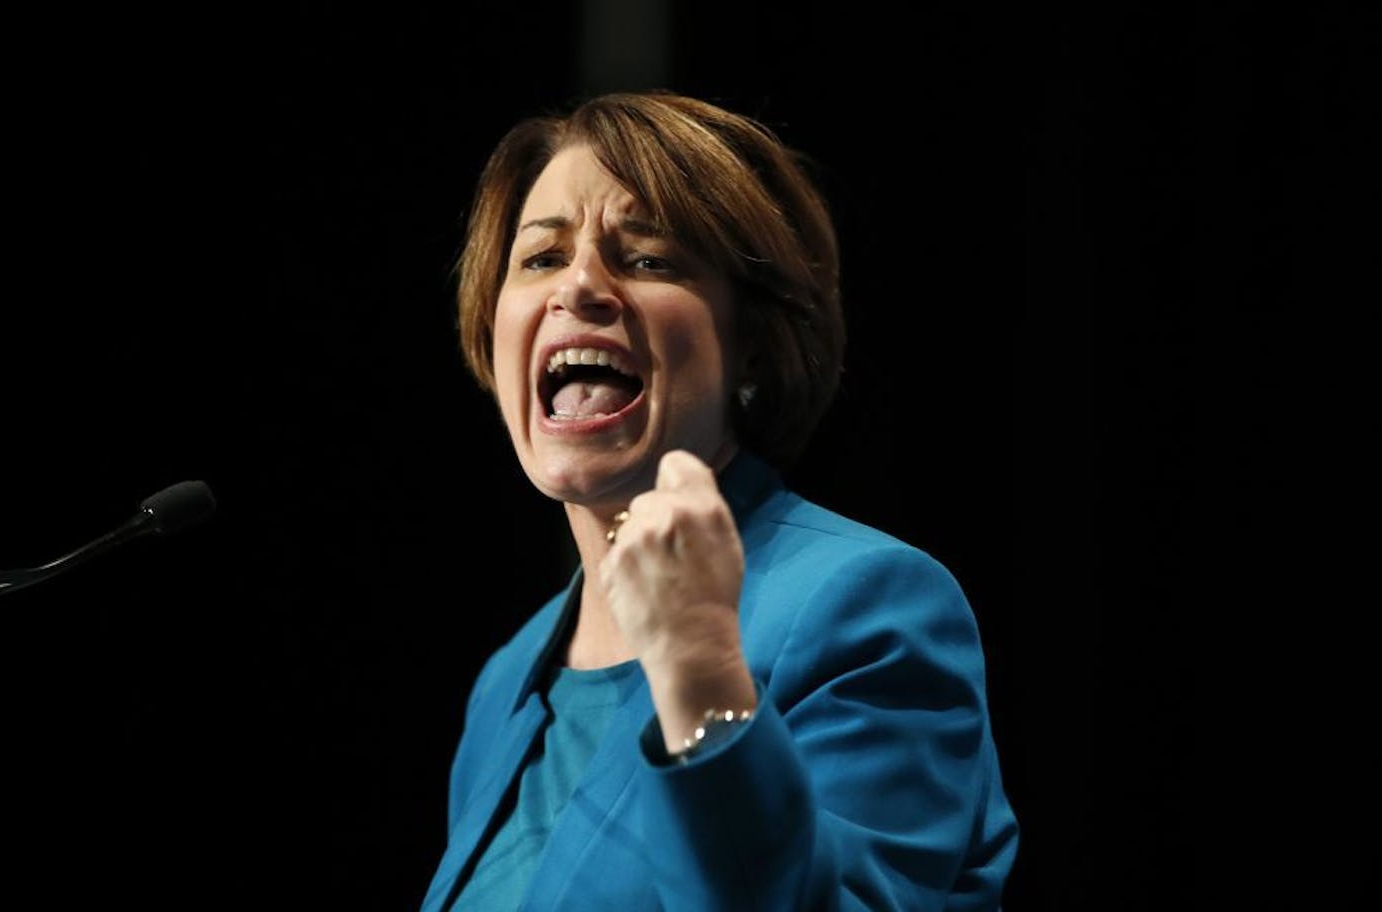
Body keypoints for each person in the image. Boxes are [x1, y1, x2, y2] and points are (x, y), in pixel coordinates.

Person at [421, 90, 1018, 912]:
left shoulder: (867, 607)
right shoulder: (506, 685)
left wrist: (697, 665)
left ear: (753, 348)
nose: (580, 287)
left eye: (649, 258)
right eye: (541, 258)